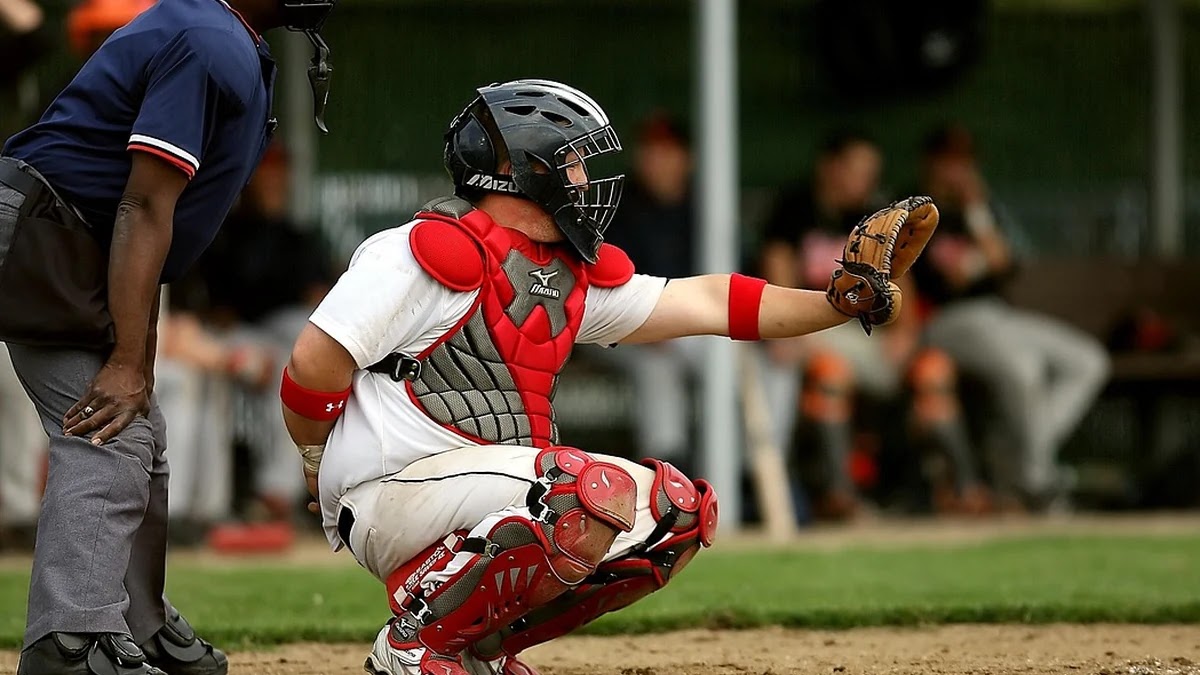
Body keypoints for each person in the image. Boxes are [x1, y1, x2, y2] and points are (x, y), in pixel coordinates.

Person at [281, 79, 936, 675]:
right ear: (518, 170)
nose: (584, 178)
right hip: (391, 491)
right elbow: (312, 363)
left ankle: (481, 647)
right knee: (585, 489)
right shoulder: (423, 249)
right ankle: (416, 640)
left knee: (674, 511)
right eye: (570, 160)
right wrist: (316, 458)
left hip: (483, 493)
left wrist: (833, 302)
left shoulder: (558, 274)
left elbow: (708, 302)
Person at [0, 0, 338, 672]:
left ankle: (135, 621)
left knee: (139, 431)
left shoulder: (228, 38)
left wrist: (138, 359)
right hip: (45, 232)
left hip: (76, 239)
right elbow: (144, 203)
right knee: (107, 433)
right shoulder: (206, 39)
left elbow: (157, 230)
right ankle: (71, 641)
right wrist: (125, 357)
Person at [759, 132, 985, 519]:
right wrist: (786, 331)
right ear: (830, 168)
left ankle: (967, 492)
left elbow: (904, 287)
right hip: (815, 331)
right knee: (830, 372)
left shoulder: (878, 215)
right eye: (856, 171)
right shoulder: (795, 210)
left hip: (873, 340)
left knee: (934, 371)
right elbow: (779, 284)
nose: (864, 181)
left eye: (870, 173)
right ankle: (840, 497)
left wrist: (904, 334)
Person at [911, 122, 1110, 510]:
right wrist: (974, 258)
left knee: (1088, 361)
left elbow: (1001, 262)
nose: (959, 170)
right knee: (1024, 368)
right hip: (945, 321)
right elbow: (950, 277)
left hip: (996, 315)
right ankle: (1037, 481)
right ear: (930, 164)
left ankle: (1015, 454)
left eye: (965, 162)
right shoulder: (914, 209)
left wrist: (975, 209)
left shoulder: (979, 210)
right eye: (949, 161)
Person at [593, 112, 702, 474]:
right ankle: (669, 474)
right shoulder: (619, 206)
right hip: (622, 326)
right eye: (650, 151)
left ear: (687, 158)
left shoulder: (706, 206)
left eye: (666, 152)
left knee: (741, 361)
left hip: (691, 328)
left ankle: (747, 472)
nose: (656, 161)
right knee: (658, 366)